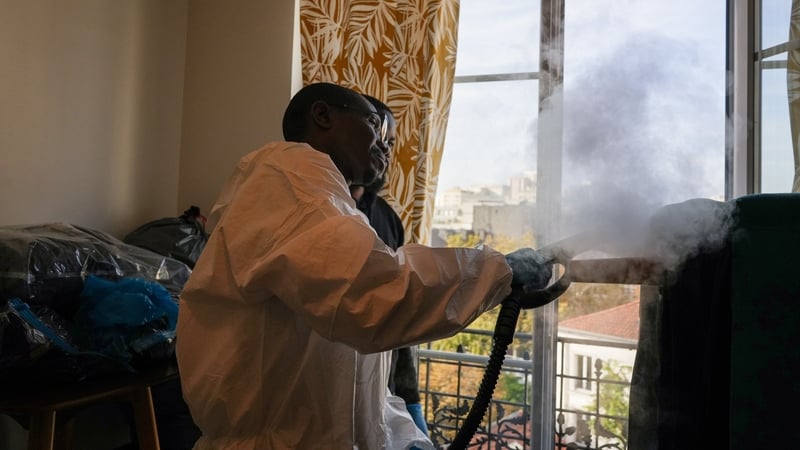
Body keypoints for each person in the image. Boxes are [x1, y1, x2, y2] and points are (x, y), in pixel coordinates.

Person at [175, 82, 552, 450]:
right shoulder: (291, 182)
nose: (384, 144)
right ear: (323, 115)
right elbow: (377, 295)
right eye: (374, 125)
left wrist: (402, 433)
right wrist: (499, 270)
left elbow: (354, 377)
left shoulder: (324, 198)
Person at [350, 94, 427, 436]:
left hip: (387, 394)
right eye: (377, 137)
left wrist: (410, 400)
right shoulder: (321, 215)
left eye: (391, 143)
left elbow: (401, 310)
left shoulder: (387, 219)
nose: (385, 151)